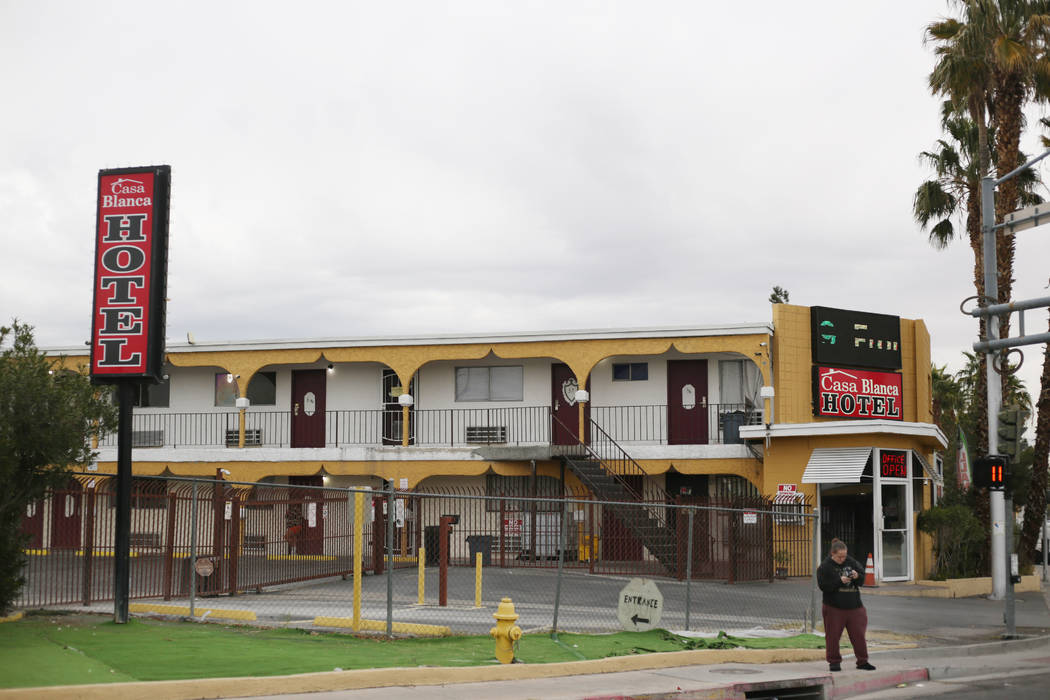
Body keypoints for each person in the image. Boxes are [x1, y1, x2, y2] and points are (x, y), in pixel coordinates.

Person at [817, 538, 876, 672]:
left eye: (844, 556)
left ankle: (863, 661)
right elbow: (824, 586)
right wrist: (840, 580)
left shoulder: (851, 561)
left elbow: (862, 579)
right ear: (833, 554)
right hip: (834, 607)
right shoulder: (825, 567)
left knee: (859, 635)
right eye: (839, 557)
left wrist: (856, 576)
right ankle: (834, 662)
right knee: (832, 636)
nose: (843, 559)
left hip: (855, 606)